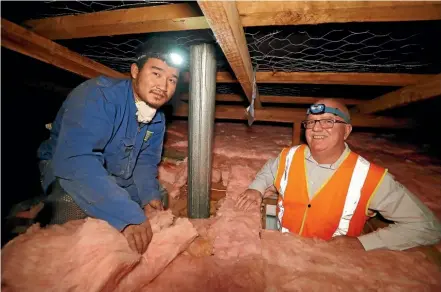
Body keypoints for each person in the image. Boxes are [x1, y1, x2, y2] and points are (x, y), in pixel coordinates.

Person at [36, 36, 186, 254]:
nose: (163, 86)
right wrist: (127, 216)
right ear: (135, 71)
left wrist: (148, 195)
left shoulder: (157, 118)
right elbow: (77, 160)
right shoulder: (98, 96)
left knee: (156, 200)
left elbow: (145, 161)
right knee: (69, 210)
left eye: (172, 80)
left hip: (114, 174)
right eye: (156, 73)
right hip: (68, 170)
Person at [236, 98, 441, 251]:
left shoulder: (370, 177)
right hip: (282, 251)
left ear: (347, 131)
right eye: (312, 121)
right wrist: (256, 188)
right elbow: (269, 170)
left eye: (328, 122)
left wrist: (364, 243)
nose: (317, 128)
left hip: (331, 265)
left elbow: (427, 227)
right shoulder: (289, 156)